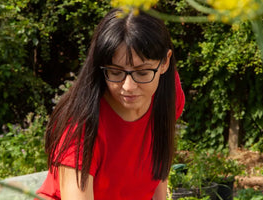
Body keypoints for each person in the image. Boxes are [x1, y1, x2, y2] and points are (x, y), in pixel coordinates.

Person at [36, 8, 185, 200]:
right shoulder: (81, 127)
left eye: (142, 73)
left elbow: (158, 162)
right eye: (116, 72)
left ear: (164, 63)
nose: (129, 86)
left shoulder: (167, 94)